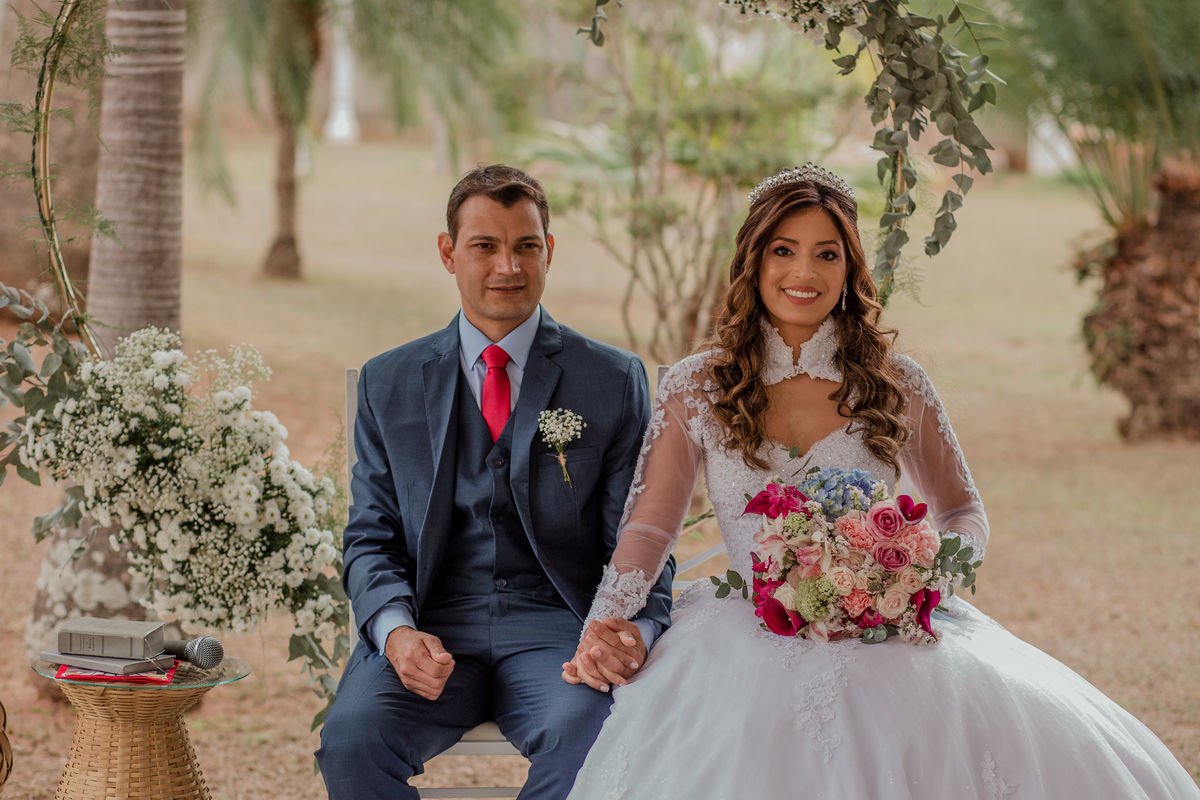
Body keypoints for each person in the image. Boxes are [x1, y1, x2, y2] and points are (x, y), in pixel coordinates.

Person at [561, 164, 1200, 799]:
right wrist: (604, 623)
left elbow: (963, 511)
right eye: (783, 251)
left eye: (826, 254)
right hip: (743, 629)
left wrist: (915, 582)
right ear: (752, 260)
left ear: (850, 269)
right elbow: (650, 530)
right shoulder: (696, 386)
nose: (804, 273)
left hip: (886, 628)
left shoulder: (897, 382)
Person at [316, 164, 675, 800]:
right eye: (485, 245)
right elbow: (371, 537)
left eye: (526, 245)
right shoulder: (388, 382)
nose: (508, 266)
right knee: (350, 741)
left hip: (559, 629)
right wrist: (396, 633)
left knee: (590, 741)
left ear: (549, 251)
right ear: (448, 253)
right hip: (431, 622)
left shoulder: (611, 379)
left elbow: (641, 536)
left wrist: (631, 634)